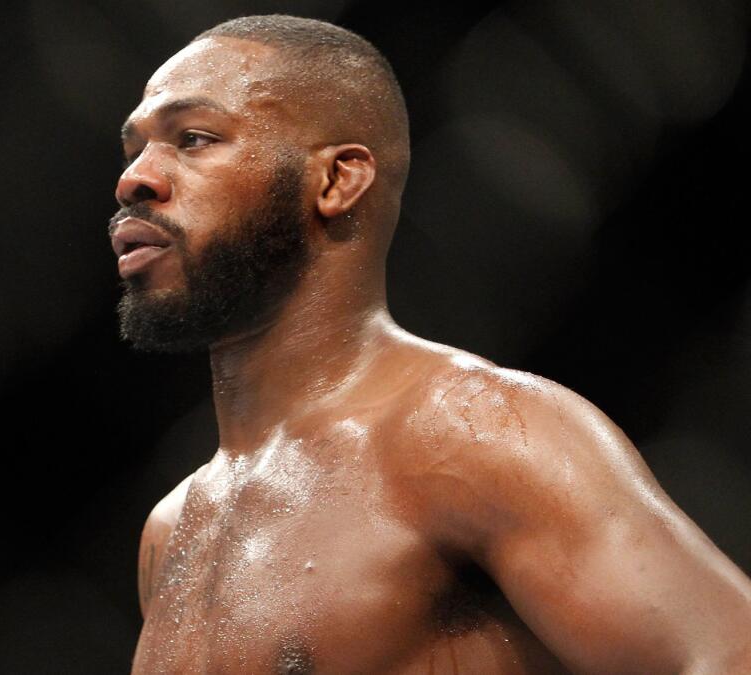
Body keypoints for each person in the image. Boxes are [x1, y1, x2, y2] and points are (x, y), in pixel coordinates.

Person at [108, 14, 751, 674]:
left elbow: (727, 649)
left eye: (193, 138)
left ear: (336, 181)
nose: (135, 180)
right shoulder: (176, 526)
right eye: (134, 150)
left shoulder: (469, 430)